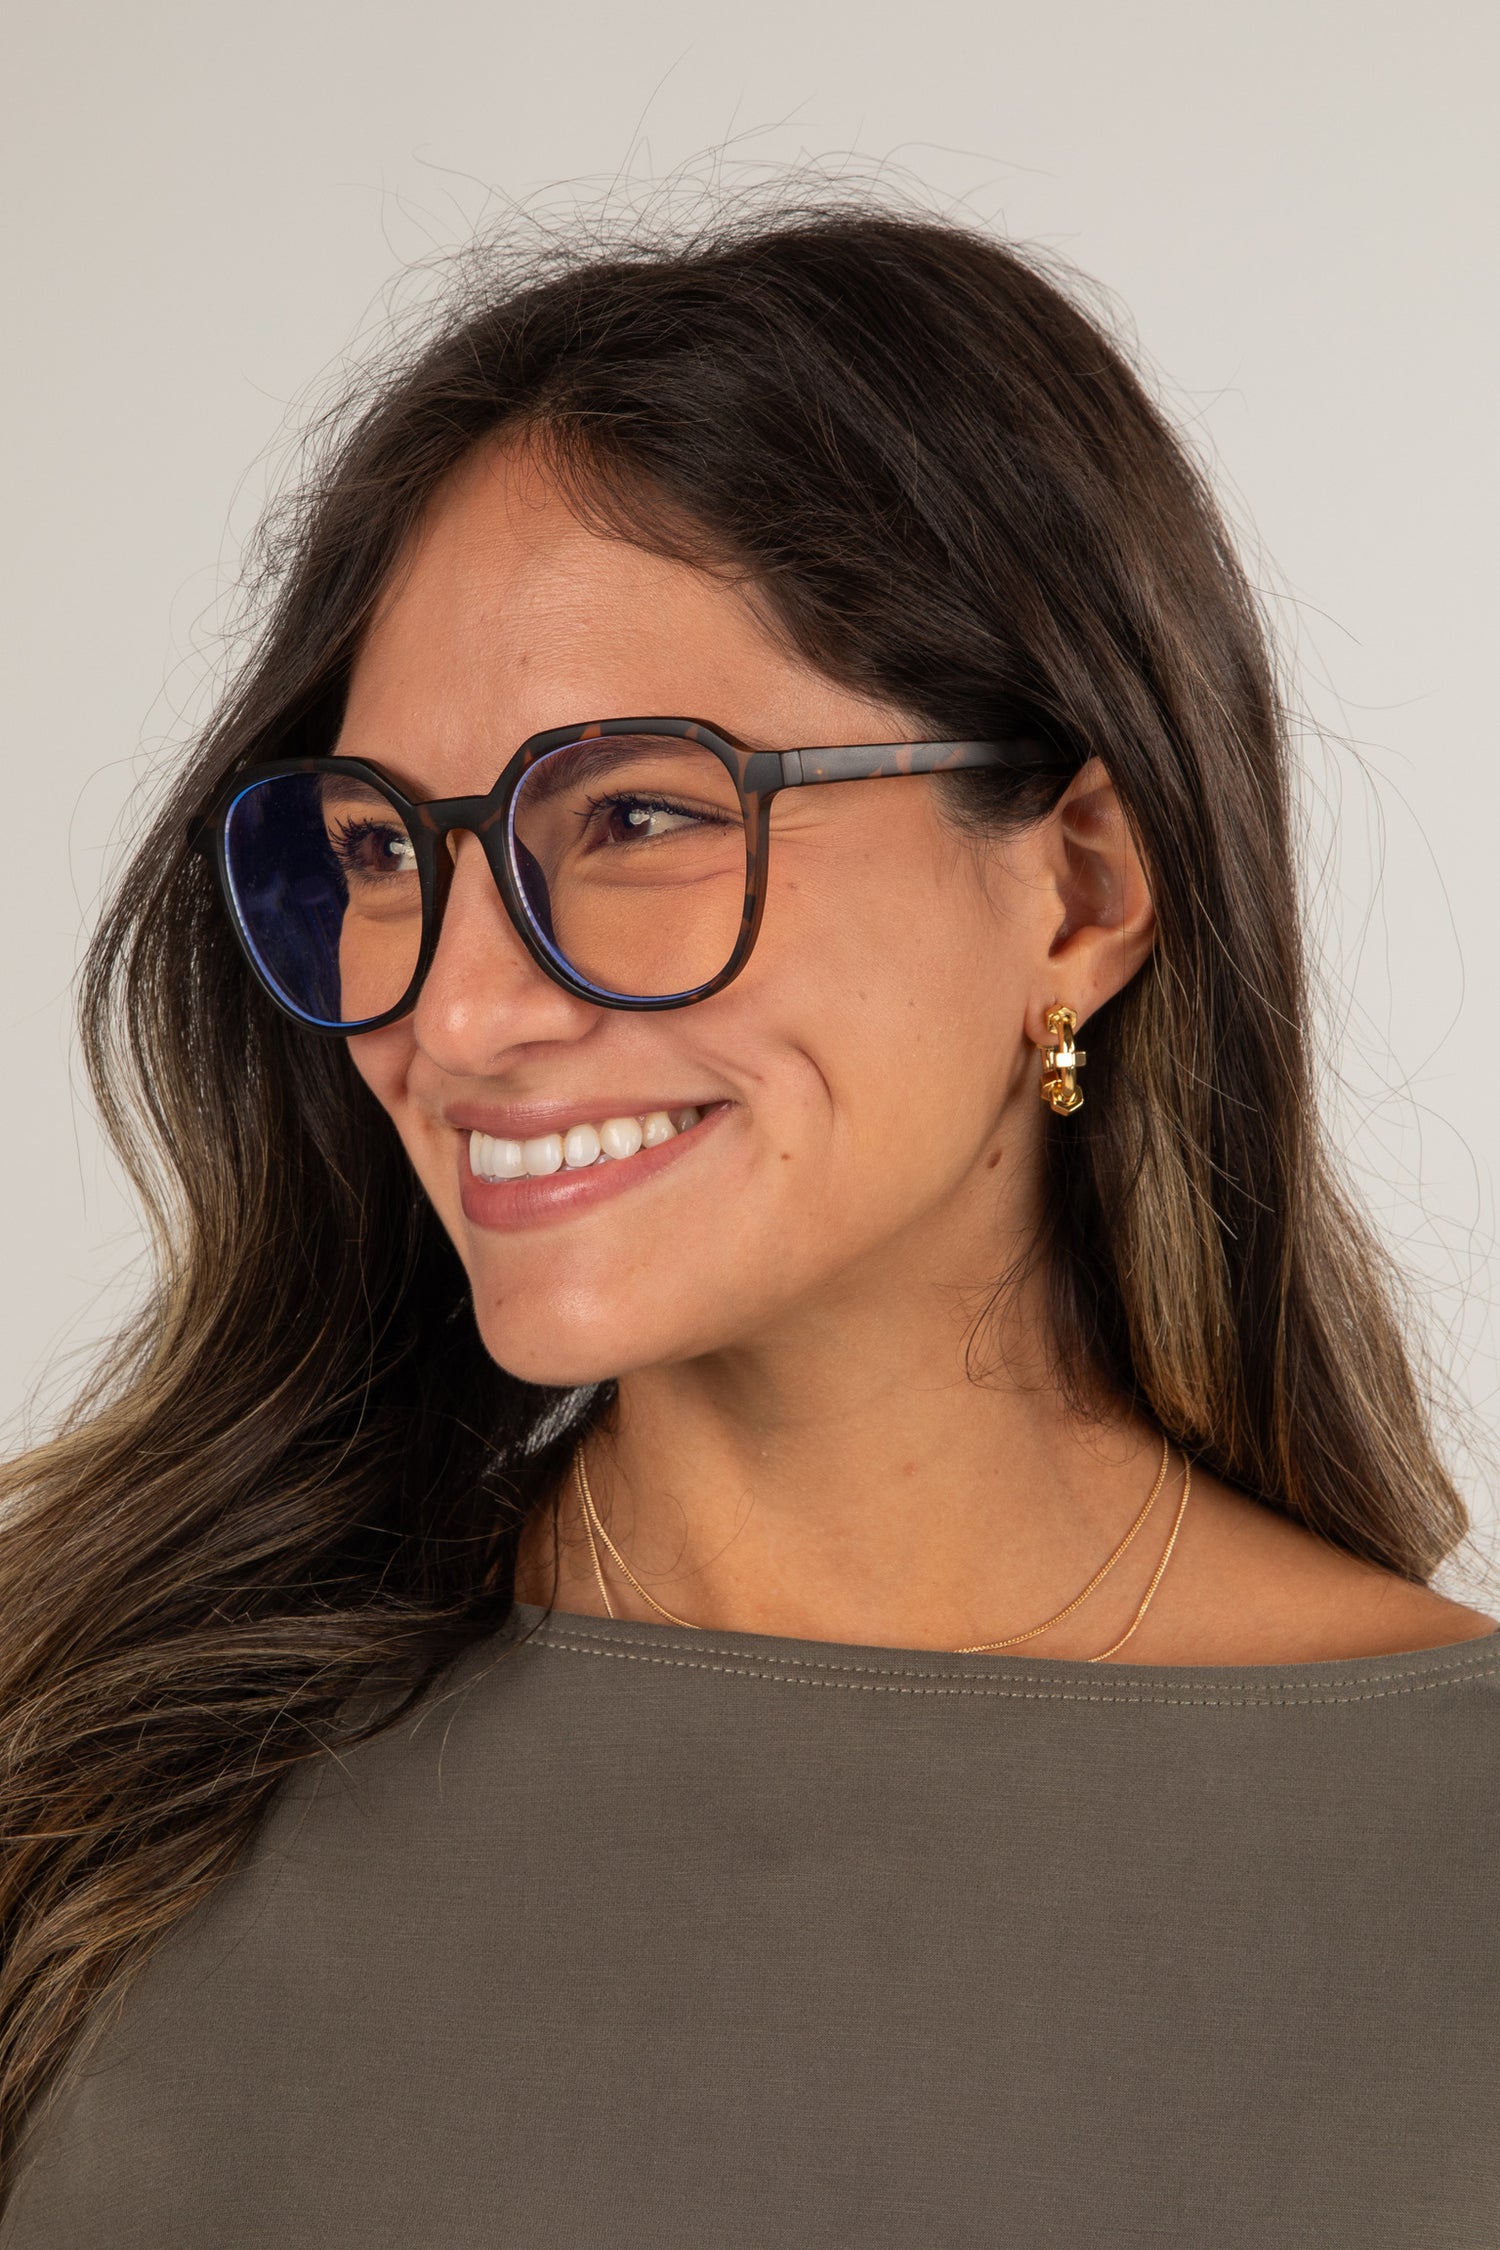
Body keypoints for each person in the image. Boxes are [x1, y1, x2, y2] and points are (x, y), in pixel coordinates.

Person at [0, 199, 1495, 2248]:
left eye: (631, 817)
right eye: (377, 848)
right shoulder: (91, 1758)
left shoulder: (1454, 1870)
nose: (454, 1009)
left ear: (1080, 887)